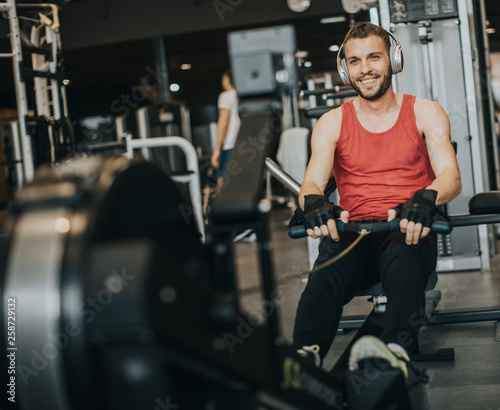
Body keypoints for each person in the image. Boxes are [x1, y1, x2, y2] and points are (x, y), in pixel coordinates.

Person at [293, 22, 462, 379]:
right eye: (354, 61)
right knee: (326, 271)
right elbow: (311, 181)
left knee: (402, 258)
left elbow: (451, 176)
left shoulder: (425, 112)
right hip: (353, 232)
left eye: (373, 57)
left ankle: (396, 353)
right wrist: (314, 202)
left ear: (393, 60)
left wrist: (426, 197)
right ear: (345, 69)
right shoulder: (332, 122)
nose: (365, 69)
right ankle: (303, 359)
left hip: (406, 227)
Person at [211, 69, 241, 187]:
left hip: (230, 145)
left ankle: (223, 205)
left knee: (222, 181)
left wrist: (217, 149)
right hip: (244, 143)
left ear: (228, 79)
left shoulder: (226, 96)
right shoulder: (242, 95)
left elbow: (223, 123)